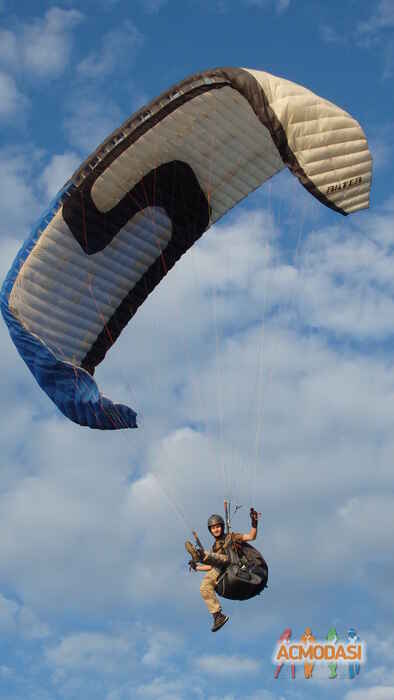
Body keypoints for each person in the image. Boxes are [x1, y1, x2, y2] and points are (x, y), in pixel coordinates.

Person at [185, 507, 260, 632]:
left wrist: (254, 522)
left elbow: (252, 536)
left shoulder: (232, 537)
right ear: (210, 530)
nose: (216, 529)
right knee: (204, 587)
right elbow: (212, 566)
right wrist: (197, 568)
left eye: (218, 526)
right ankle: (218, 616)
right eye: (213, 528)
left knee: (214, 557)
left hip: (234, 562)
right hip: (223, 569)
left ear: (222, 527)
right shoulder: (215, 547)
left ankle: (201, 555)